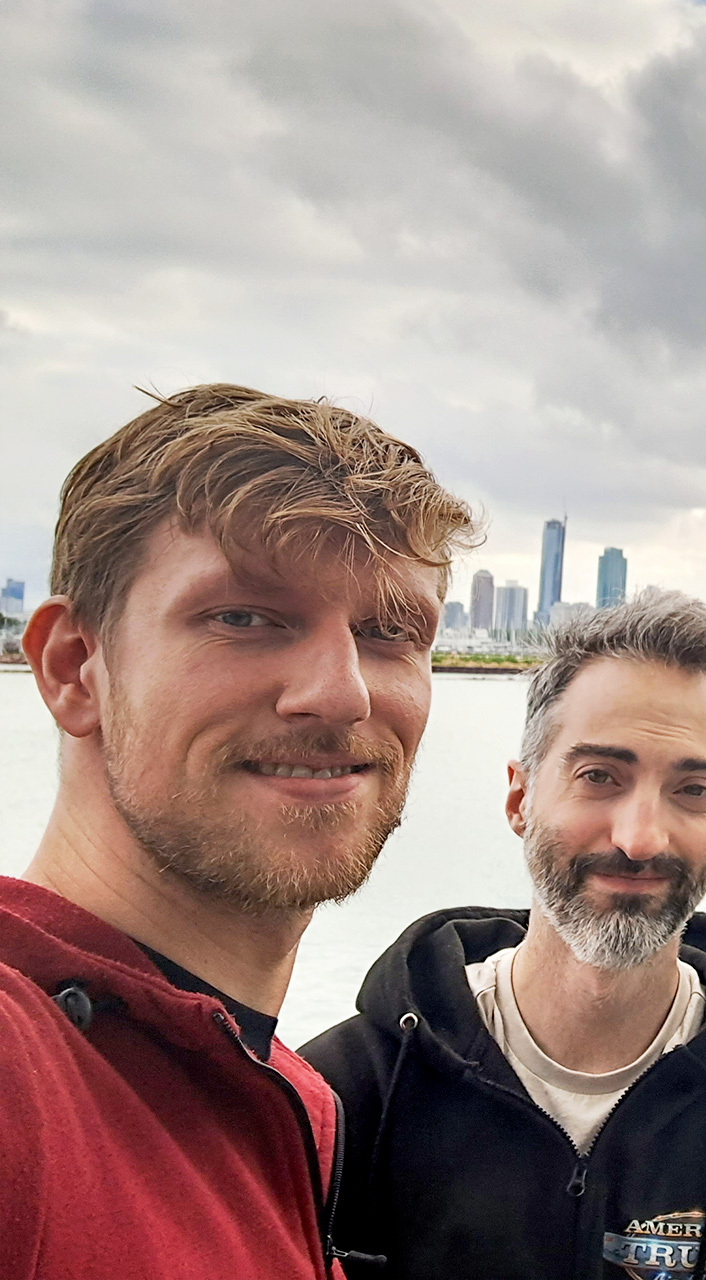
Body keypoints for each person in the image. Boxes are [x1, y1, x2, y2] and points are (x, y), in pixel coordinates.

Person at [1, 385, 477, 1279]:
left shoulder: (290, 1100)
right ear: (73, 668)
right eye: (244, 618)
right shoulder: (19, 1073)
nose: (340, 693)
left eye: (388, 631)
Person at [302, 592, 706, 1279]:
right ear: (520, 798)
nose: (640, 839)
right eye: (599, 777)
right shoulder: (345, 1096)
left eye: (692, 789)